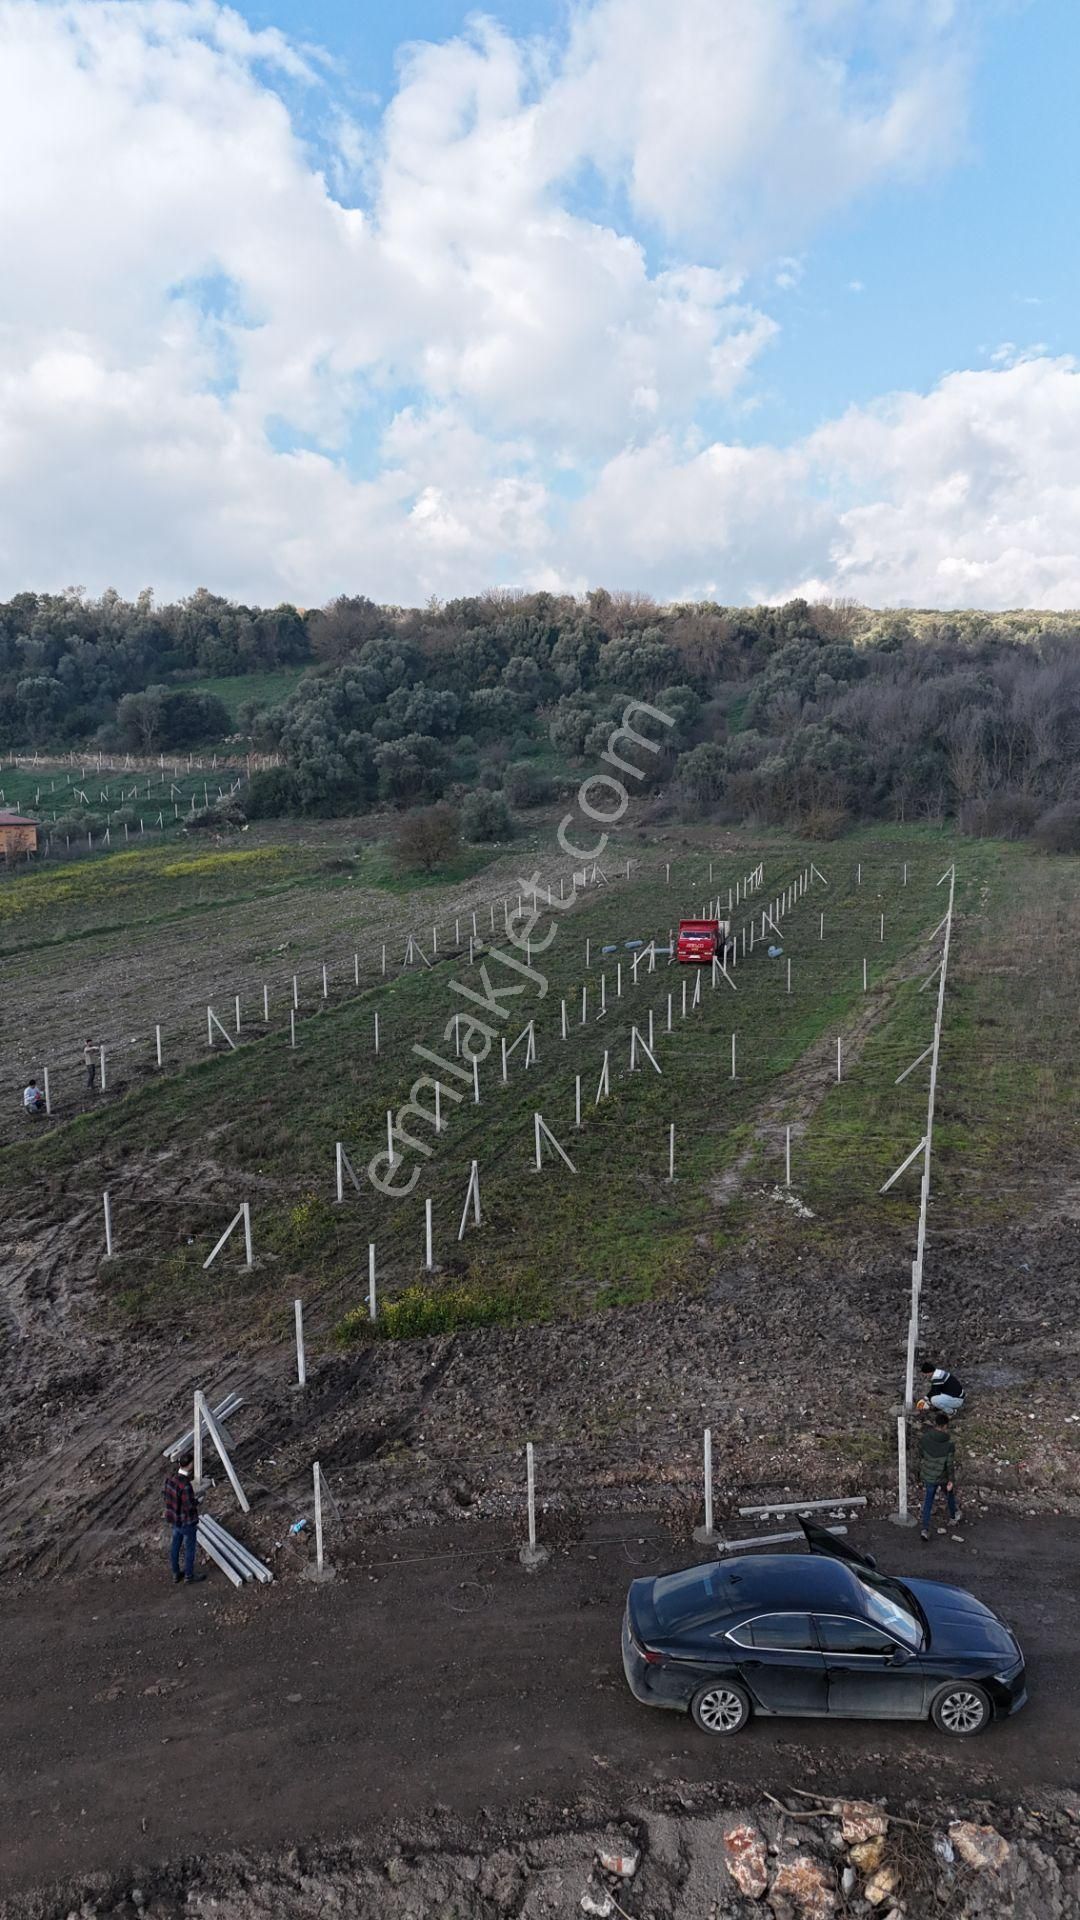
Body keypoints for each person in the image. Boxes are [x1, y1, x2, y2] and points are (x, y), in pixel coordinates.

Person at [917, 1412, 963, 1540]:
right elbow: (949, 1465)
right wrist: (951, 1480)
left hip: (928, 1475)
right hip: (942, 1477)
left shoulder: (925, 1438)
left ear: (935, 1424)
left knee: (928, 1501)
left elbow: (920, 1454)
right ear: (944, 1426)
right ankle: (953, 1517)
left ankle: (925, 1529)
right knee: (949, 1495)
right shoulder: (949, 1445)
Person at [163, 1456, 205, 1584]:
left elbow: (167, 1497)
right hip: (186, 1522)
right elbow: (189, 1506)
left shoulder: (170, 1479)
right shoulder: (185, 1485)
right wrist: (198, 1500)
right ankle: (189, 1576)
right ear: (190, 1465)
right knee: (190, 1548)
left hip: (175, 1520)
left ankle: (176, 1573)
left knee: (175, 1546)